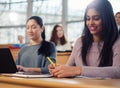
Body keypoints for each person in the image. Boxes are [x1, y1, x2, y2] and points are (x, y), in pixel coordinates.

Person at [49, 0, 120, 78]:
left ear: (107, 19)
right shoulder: (80, 42)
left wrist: (79, 70)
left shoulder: (117, 41)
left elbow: (117, 71)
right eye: (88, 18)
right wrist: (59, 69)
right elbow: (69, 67)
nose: (90, 23)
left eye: (96, 18)